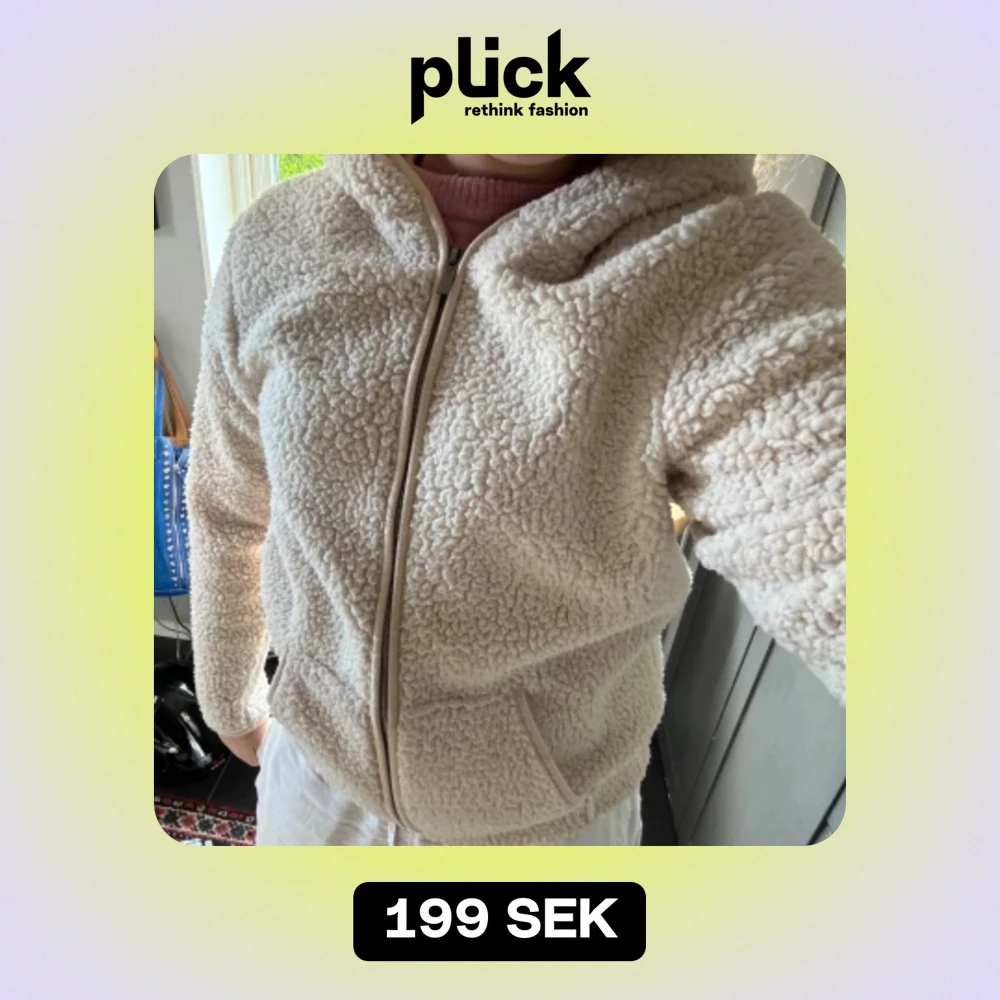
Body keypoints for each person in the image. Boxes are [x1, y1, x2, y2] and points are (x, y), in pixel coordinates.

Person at [185, 153, 846, 846]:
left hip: (548, 831)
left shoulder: (726, 270)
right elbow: (228, 504)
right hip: (314, 787)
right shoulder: (279, 238)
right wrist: (229, 695)